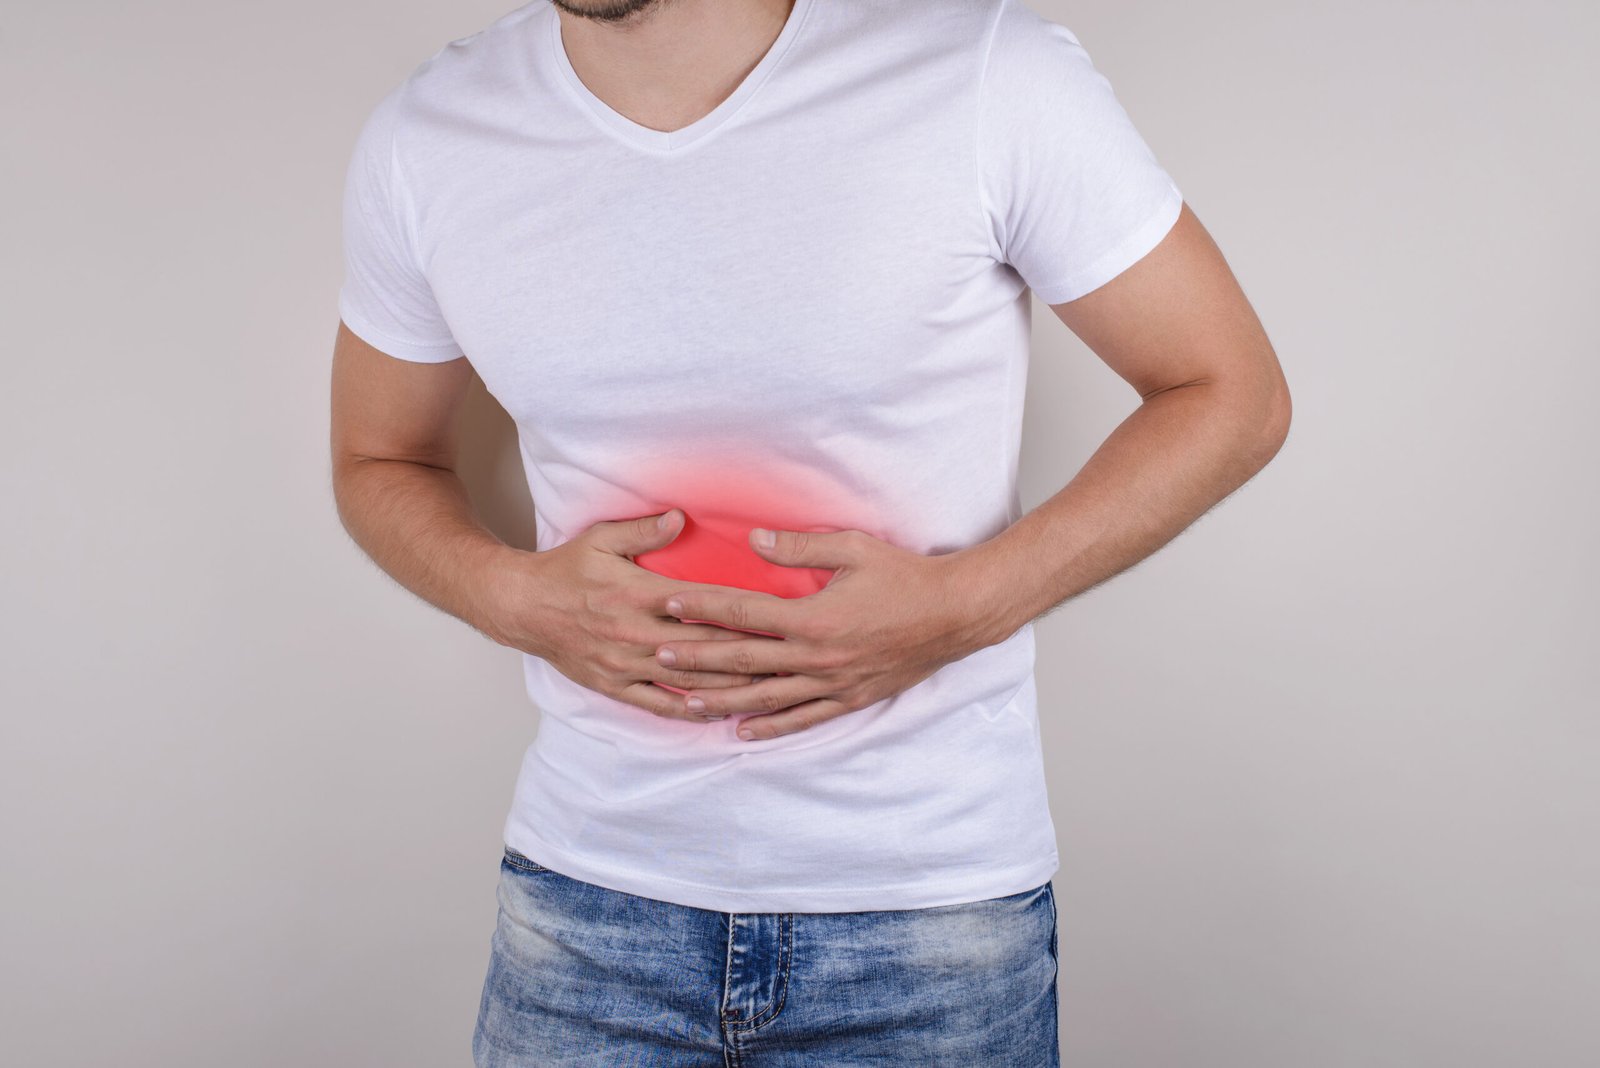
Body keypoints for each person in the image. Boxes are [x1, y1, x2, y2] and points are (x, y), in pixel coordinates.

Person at [329, 0, 1290, 1063]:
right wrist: (511, 596)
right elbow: (380, 456)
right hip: (585, 912)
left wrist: (959, 608)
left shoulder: (984, 75)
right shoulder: (430, 136)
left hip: (924, 926)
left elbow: (1228, 394)